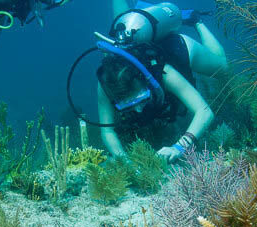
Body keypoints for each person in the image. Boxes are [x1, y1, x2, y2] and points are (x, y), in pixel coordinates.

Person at [96, 0, 228, 163]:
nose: (138, 110)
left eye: (140, 99)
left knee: (223, 68)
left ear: (144, 80)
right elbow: (107, 131)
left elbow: (204, 111)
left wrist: (179, 147)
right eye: (127, 105)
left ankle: (195, 20)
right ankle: (134, 17)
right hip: (134, 39)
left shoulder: (164, 72)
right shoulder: (106, 84)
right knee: (120, 25)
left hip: (179, 49)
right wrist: (124, 160)